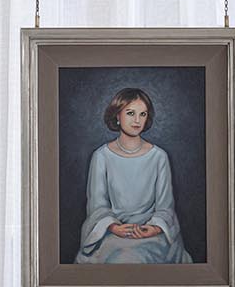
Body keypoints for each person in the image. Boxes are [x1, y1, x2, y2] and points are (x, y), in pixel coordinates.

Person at [75, 87, 192, 265]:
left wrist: (154, 228)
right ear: (117, 115)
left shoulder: (159, 156)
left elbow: (165, 207)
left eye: (142, 114)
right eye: (130, 113)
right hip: (112, 232)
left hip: (151, 233)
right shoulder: (101, 156)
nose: (137, 120)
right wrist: (114, 227)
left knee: (136, 258)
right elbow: (97, 206)